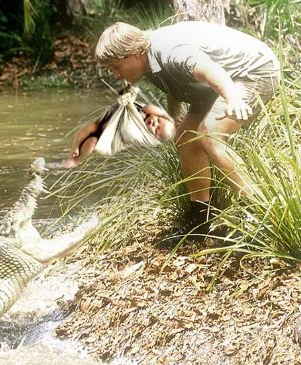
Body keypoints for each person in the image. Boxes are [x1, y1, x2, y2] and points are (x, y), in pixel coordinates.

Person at [84, 20, 280, 245]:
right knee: (186, 138)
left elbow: (208, 69)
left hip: (254, 70)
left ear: (135, 53)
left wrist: (233, 98)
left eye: (116, 67)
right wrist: (174, 113)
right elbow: (172, 80)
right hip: (221, 80)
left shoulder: (171, 52)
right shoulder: (147, 58)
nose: (116, 75)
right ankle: (200, 219)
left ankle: (262, 218)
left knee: (210, 135)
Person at [66, 102, 176, 168]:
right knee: (90, 127)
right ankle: (75, 147)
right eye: (158, 120)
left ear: (154, 138)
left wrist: (143, 116)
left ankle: (77, 160)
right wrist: (165, 115)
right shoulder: (144, 112)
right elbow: (148, 108)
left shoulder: (144, 136)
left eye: (156, 130)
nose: (155, 124)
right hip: (107, 123)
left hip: (110, 138)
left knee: (91, 143)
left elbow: (129, 132)